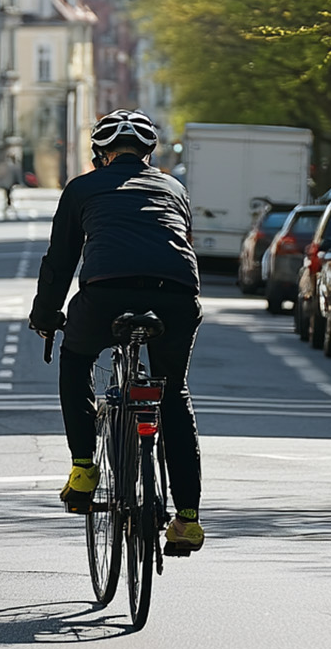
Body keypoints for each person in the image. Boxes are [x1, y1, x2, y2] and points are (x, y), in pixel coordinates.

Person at [28, 109, 206, 555]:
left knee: (76, 360)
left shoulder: (82, 188)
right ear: (149, 154)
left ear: (100, 154)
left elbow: (61, 260)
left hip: (106, 294)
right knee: (173, 393)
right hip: (176, 295)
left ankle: (84, 467)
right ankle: (187, 519)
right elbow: (182, 244)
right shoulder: (173, 187)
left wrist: (46, 315)